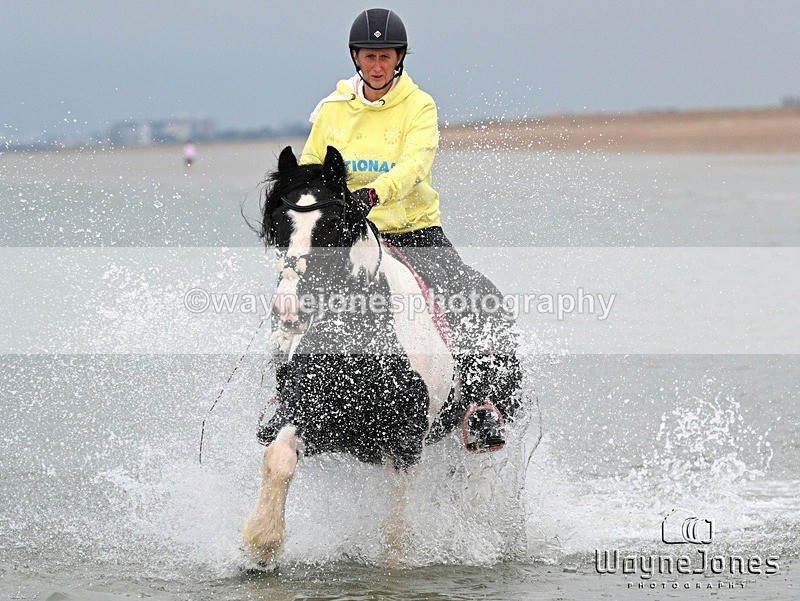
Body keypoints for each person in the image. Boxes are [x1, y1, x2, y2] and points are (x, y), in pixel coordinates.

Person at [289, 8, 521, 450]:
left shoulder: (420, 105)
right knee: (295, 286)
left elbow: (415, 166)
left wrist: (372, 195)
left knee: (469, 295)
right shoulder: (332, 111)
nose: (378, 66)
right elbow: (309, 169)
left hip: (413, 228)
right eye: (369, 56)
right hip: (351, 234)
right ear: (356, 57)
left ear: (400, 59)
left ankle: (479, 404)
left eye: (387, 57)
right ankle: (286, 396)